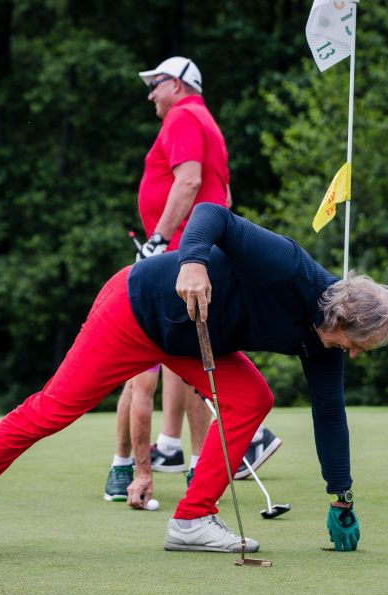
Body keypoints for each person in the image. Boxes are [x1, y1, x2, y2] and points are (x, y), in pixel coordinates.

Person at [0, 202, 388, 557]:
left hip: (188, 340)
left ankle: (191, 520)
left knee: (251, 397)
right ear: (342, 320)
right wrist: (192, 259)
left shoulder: (321, 345)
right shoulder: (289, 267)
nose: (355, 355)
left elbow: (330, 416)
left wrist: (340, 496)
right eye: (358, 345)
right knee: (51, 410)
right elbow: (214, 213)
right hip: (134, 310)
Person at [104, 55, 280, 504]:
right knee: (187, 357)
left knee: (154, 362)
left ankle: (134, 468)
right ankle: (199, 459)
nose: (150, 94)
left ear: (179, 85)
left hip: (185, 258)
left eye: (156, 84)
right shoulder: (206, 122)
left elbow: (189, 182)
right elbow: (224, 193)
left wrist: (159, 240)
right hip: (201, 256)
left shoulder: (183, 116)